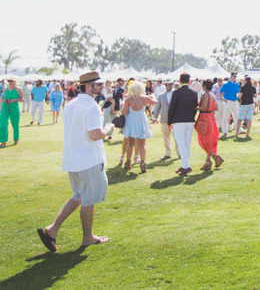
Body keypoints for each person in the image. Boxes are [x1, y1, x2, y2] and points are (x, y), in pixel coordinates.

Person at [37, 71, 113, 252]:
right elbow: (95, 135)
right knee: (88, 199)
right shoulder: (92, 106)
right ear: (88, 86)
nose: (101, 87)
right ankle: (88, 237)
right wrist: (108, 128)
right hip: (89, 159)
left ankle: (52, 229)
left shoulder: (71, 104)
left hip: (73, 159)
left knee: (78, 195)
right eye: (98, 84)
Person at [120, 80, 156, 173]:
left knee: (130, 144)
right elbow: (154, 102)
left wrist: (123, 106)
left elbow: (124, 112)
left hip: (131, 122)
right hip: (141, 122)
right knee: (142, 145)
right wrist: (153, 96)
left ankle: (128, 162)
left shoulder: (128, 99)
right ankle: (143, 163)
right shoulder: (145, 98)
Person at [167, 73, 199, 176]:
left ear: (180, 81)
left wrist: (169, 121)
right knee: (186, 143)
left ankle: (186, 165)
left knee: (181, 143)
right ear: (189, 81)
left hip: (179, 120)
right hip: (189, 120)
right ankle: (184, 164)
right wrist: (191, 117)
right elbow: (195, 108)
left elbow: (172, 108)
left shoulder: (177, 92)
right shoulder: (194, 93)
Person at [197, 80, 224, 170]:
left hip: (205, 118)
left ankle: (216, 157)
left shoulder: (205, 95)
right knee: (209, 140)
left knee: (203, 140)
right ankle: (208, 162)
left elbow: (203, 107)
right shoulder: (212, 95)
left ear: (205, 86)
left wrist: (194, 107)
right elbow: (216, 108)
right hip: (211, 117)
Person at [152, 80, 178, 160]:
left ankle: (179, 153)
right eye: (166, 85)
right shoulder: (161, 95)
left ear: (172, 85)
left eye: (169, 84)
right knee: (166, 137)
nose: (168, 86)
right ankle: (168, 153)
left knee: (177, 137)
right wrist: (155, 117)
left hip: (175, 119)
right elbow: (157, 107)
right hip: (164, 119)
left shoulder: (177, 94)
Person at [1, 76, 23, 147]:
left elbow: (22, 99)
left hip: (14, 107)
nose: (10, 82)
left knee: (15, 124)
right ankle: (3, 141)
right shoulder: (5, 89)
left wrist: (14, 100)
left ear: (15, 81)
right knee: (3, 124)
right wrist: (4, 100)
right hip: (5, 107)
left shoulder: (18, 89)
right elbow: (1, 98)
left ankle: (16, 139)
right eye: (8, 81)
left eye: (11, 81)